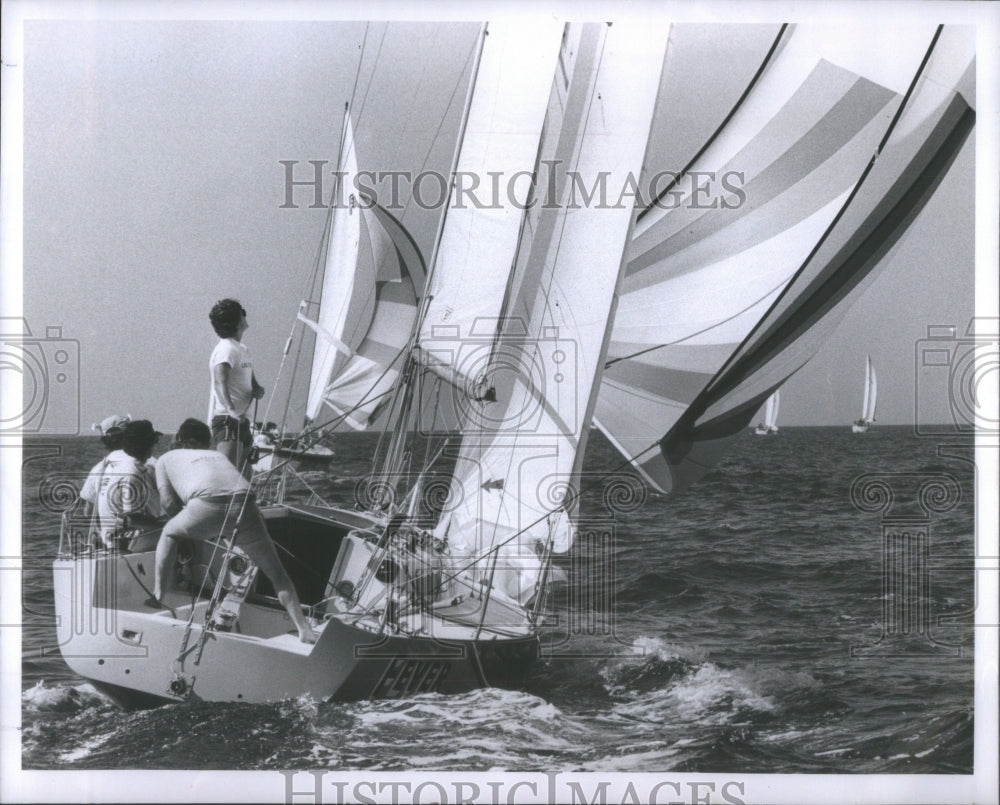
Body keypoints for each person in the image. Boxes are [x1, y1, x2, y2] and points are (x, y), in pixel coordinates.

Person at [153, 418, 317, 643]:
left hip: (208, 503)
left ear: (179, 439)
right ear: (206, 442)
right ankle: (304, 628)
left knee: (169, 533)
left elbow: (169, 505)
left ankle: (159, 596)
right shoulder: (218, 456)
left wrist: (195, 527)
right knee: (277, 573)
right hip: (246, 503)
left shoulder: (165, 458)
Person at [81, 419, 163, 549]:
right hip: (132, 541)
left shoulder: (100, 466)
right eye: (154, 442)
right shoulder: (140, 466)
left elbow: (88, 512)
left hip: (108, 540)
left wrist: (102, 535)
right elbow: (132, 519)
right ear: (147, 445)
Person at [208, 298, 265, 479]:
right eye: (242, 311)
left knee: (244, 480)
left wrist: (257, 389)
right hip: (228, 420)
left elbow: (252, 382)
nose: (245, 314)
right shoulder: (225, 349)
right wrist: (231, 410)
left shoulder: (243, 350)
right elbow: (220, 382)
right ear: (236, 320)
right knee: (227, 477)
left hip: (243, 421)